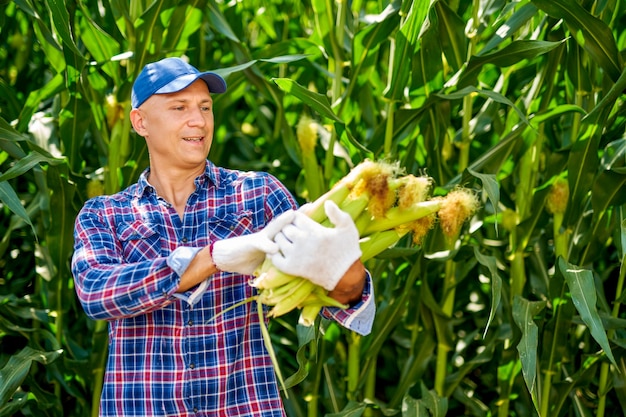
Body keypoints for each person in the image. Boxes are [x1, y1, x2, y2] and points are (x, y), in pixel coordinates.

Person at [71, 56, 375, 417]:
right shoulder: (105, 214)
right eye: (179, 107)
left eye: (205, 107)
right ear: (140, 122)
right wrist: (211, 258)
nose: (198, 120)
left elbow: (337, 301)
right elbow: (96, 293)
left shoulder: (258, 195)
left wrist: (346, 272)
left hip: (244, 406)